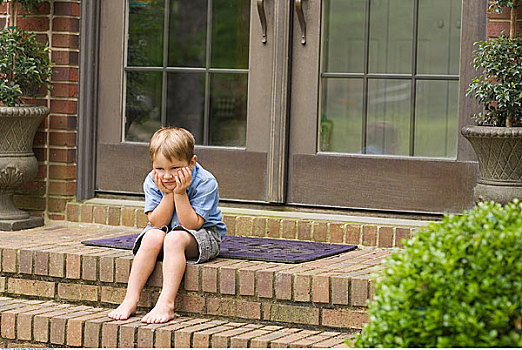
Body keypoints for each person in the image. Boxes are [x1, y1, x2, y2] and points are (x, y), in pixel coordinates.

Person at [108, 127, 226, 324]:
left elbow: (192, 224)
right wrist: (168, 194)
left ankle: (166, 303)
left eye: (175, 168)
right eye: (160, 168)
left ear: (192, 162)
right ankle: (131, 298)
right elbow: (157, 222)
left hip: (202, 236)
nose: (167, 176)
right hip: (165, 232)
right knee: (152, 236)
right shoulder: (153, 180)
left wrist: (180, 193)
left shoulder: (206, 182)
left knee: (173, 238)